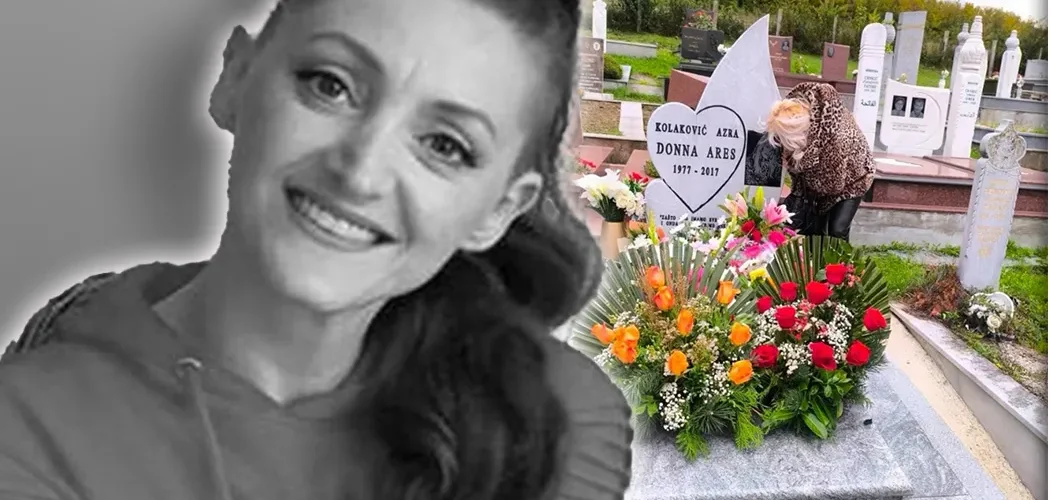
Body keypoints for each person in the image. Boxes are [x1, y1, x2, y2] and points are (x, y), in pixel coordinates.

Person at [0, 1, 634, 499]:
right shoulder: (30, 427)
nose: (360, 172)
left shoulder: (556, 418)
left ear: (498, 210)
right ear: (236, 77)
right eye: (330, 85)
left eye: (445, 146)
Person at [765, 82, 875, 241]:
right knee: (813, 228)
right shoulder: (801, 127)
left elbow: (834, 186)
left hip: (854, 179)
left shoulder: (836, 140)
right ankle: (814, 252)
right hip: (821, 179)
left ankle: (840, 256)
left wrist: (805, 171)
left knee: (837, 229)